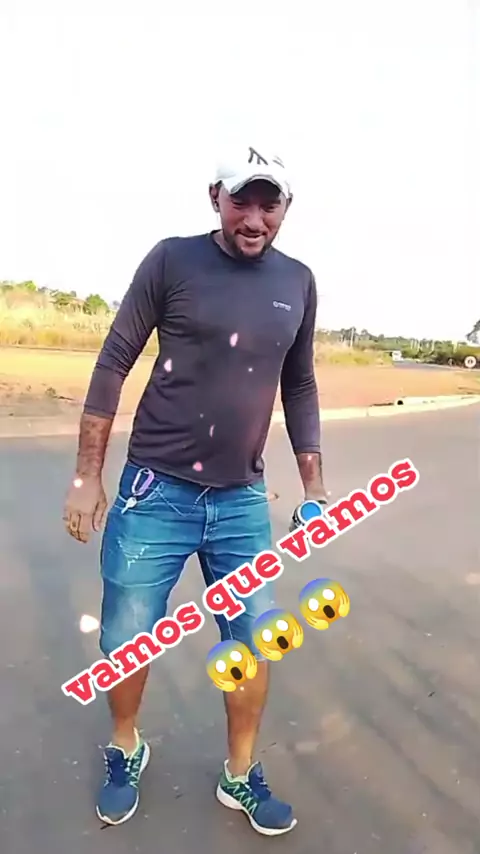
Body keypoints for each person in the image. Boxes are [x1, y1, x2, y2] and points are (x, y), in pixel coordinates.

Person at [63, 143, 327, 836]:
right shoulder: (172, 261)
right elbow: (114, 361)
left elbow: (299, 384)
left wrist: (314, 488)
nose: (255, 218)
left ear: (286, 209)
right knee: (128, 639)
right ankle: (126, 747)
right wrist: (88, 476)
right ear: (216, 197)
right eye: (242, 200)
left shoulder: (298, 281)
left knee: (252, 641)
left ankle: (239, 774)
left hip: (242, 502)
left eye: (270, 204)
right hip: (155, 493)